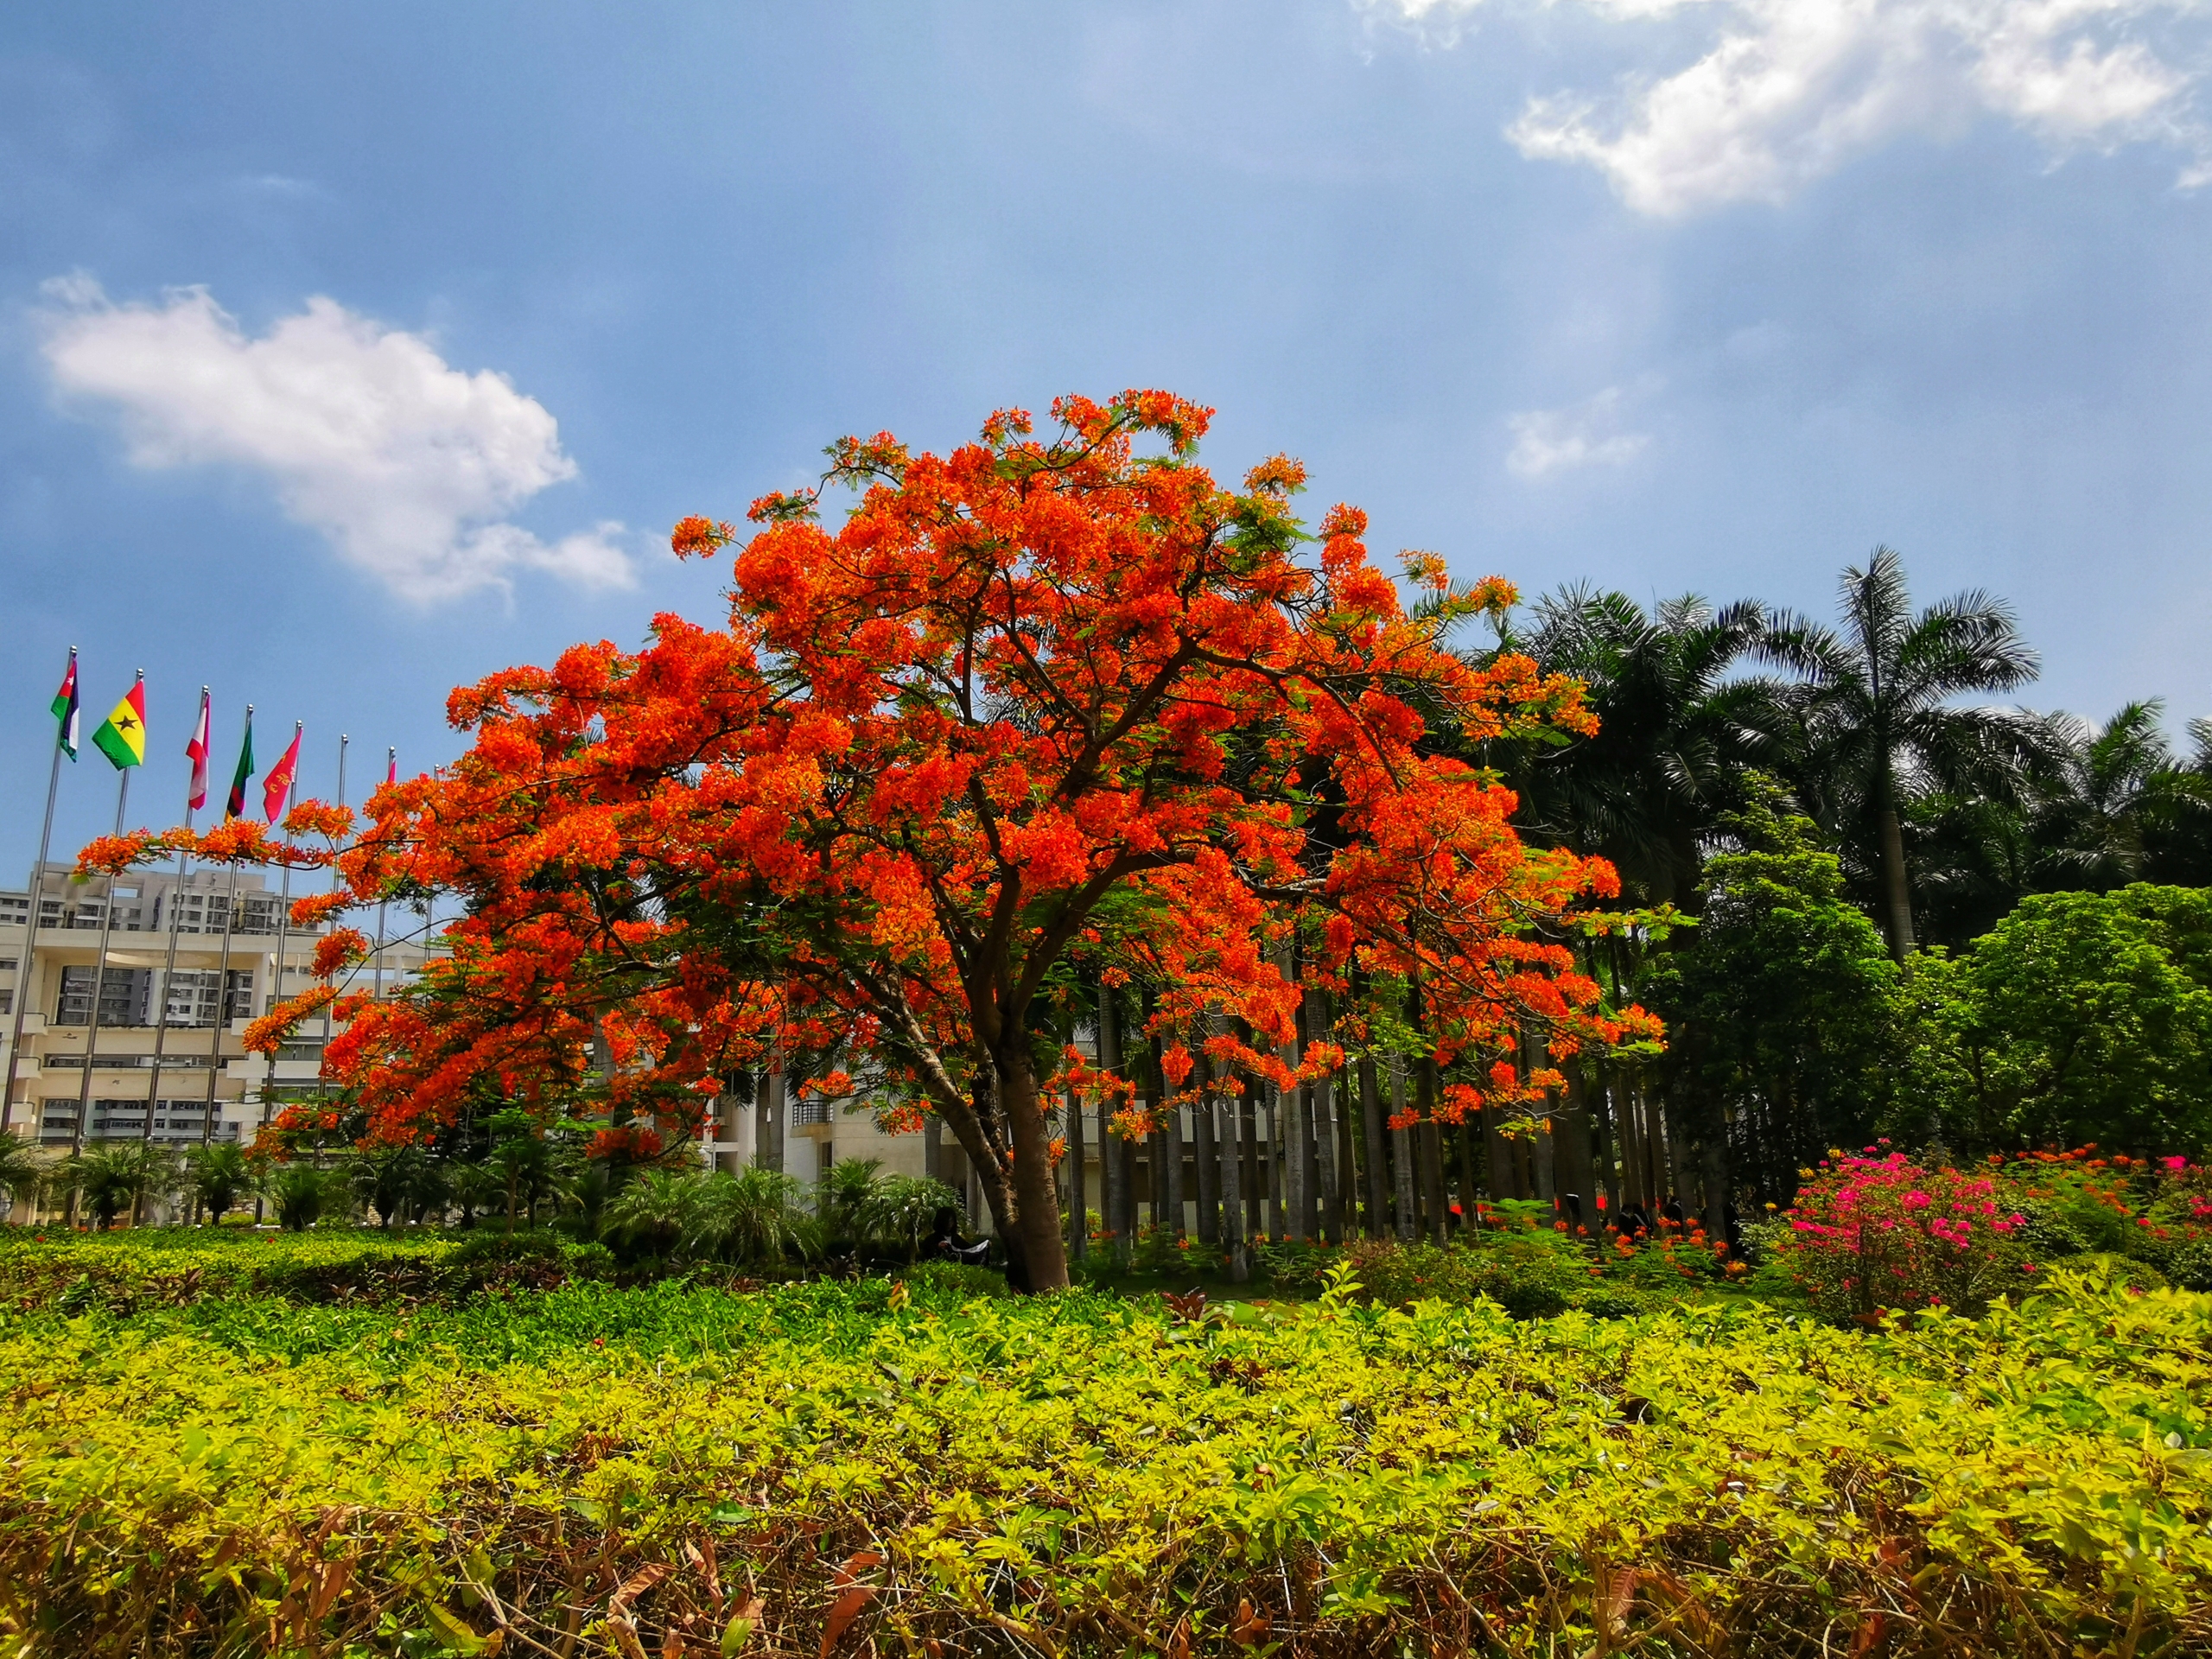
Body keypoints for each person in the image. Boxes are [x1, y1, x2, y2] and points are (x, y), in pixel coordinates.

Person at [925, 1206, 990, 1267]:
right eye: (947, 1221)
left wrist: (985, 1244)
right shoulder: (931, 1239)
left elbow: (969, 1249)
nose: (949, 1224)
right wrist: (938, 1247)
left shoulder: (955, 1238)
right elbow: (926, 1254)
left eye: (951, 1221)